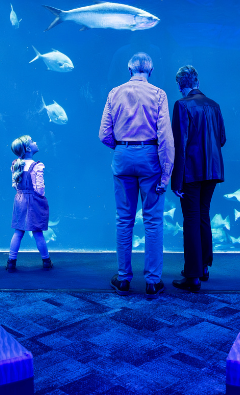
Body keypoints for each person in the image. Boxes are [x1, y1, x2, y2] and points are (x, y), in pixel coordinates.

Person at [99, 52, 174, 299]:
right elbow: (165, 137)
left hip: (122, 157)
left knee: (124, 220)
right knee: (153, 221)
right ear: (150, 71)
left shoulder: (114, 93)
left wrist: (121, 147)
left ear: (129, 70)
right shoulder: (159, 94)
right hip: (151, 157)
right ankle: (152, 281)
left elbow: (104, 134)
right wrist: (166, 173)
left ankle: (123, 279)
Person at [170, 66, 226, 293]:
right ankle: (203, 267)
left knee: (191, 218)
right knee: (203, 214)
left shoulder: (181, 105)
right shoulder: (214, 105)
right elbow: (221, 139)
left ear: (180, 85)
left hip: (191, 171)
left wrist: (176, 180)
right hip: (213, 170)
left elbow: (178, 145)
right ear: (197, 81)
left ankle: (192, 276)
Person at [7, 135, 52, 272]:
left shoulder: (16, 164)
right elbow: (40, 188)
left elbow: (14, 185)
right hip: (34, 201)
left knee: (18, 231)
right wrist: (39, 198)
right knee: (38, 232)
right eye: (32, 141)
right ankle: (46, 261)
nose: (35, 142)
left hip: (19, 199)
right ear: (27, 148)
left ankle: (11, 262)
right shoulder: (37, 166)